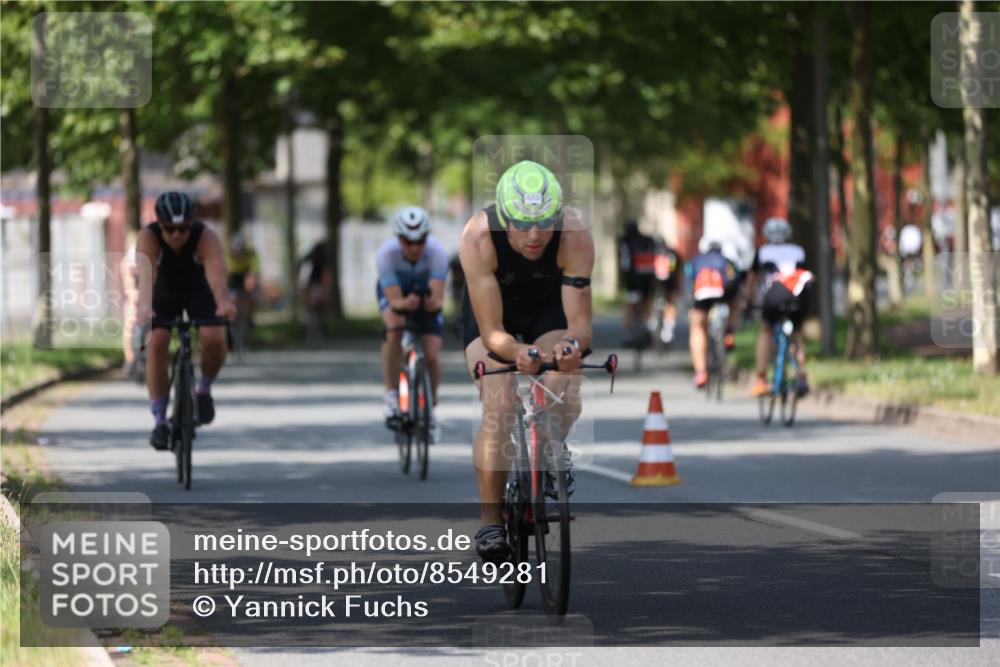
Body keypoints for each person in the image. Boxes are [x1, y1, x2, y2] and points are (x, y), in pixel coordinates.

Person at [459, 160, 593, 563]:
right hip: (493, 319)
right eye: (521, 224)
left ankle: (552, 446)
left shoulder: (575, 236)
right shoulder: (479, 236)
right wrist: (517, 353)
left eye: (544, 223)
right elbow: (493, 334)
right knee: (500, 404)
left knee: (565, 382)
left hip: (548, 310)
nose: (534, 236)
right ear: (503, 219)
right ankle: (490, 522)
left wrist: (569, 349)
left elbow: (581, 327)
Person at [136, 192, 235, 450]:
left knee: (214, 337)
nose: (177, 235)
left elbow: (216, 274)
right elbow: (146, 278)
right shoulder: (149, 237)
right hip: (163, 290)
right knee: (157, 341)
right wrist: (145, 306)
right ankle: (159, 420)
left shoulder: (206, 236)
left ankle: (203, 389)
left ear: (192, 223)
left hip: (198, 290)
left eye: (183, 229)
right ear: (159, 224)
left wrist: (223, 302)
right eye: (169, 229)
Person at [377, 206, 449, 442]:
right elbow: (394, 301)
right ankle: (391, 394)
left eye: (420, 241)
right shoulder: (386, 255)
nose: (414, 247)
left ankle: (430, 404)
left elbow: (437, 301)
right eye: (408, 241)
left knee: (431, 353)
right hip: (396, 294)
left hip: (425, 295)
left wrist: (429, 304)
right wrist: (404, 303)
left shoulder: (438, 253)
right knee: (394, 328)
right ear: (399, 239)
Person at [748, 217, 813, 397]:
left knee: (766, 331)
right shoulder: (798, 251)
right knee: (797, 334)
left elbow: (752, 280)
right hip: (798, 295)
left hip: (773, 295)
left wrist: (749, 301)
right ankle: (801, 375)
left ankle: (761, 378)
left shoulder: (762, 251)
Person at [685, 237, 743, 389]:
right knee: (735, 302)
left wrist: (691, 306)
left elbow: (689, 281)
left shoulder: (696, 260)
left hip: (702, 292)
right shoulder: (727, 260)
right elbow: (737, 279)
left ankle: (701, 372)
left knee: (698, 327)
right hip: (725, 292)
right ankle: (729, 331)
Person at [617, 220, 657, 346]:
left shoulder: (624, 241)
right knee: (647, 301)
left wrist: (621, 282)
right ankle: (648, 327)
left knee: (630, 304)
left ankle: (627, 332)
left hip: (632, 279)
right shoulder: (648, 240)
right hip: (648, 277)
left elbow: (624, 264)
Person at [226, 231, 260, 346]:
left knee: (252, 295)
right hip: (233, 276)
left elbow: (254, 272)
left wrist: (251, 281)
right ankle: (228, 319)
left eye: (240, 251)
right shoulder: (227, 254)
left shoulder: (251, 253)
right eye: (236, 251)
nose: (237, 254)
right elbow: (226, 276)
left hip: (245, 274)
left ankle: (250, 318)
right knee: (230, 297)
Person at [299, 240, 333, 343]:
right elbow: (326, 275)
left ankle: (311, 330)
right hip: (317, 286)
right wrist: (326, 291)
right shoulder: (324, 258)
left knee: (310, 308)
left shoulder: (308, 257)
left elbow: (300, 270)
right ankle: (319, 329)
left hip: (308, 286)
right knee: (320, 308)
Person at [652, 236, 682, 344]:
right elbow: (678, 272)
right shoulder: (672, 253)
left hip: (657, 283)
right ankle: (669, 327)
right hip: (670, 282)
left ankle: (653, 322)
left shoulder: (652, 252)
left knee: (654, 298)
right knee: (671, 302)